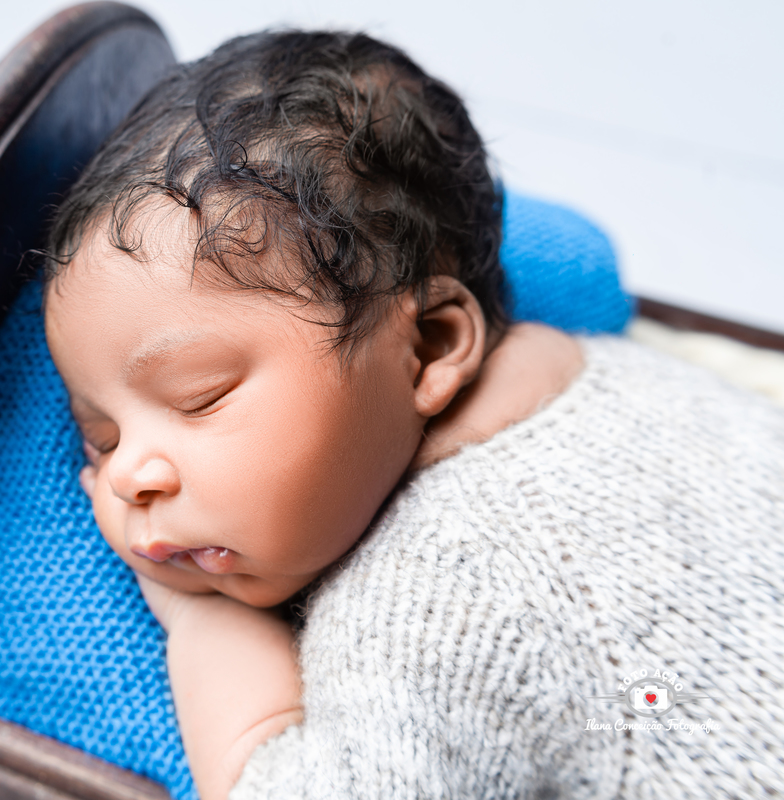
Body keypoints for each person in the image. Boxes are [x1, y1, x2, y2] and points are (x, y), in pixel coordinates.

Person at [40, 30, 784, 800]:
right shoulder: (633, 378)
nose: (126, 474)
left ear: (428, 346)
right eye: (102, 437)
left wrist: (200, 624)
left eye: (201, 395)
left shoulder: (434, 597)